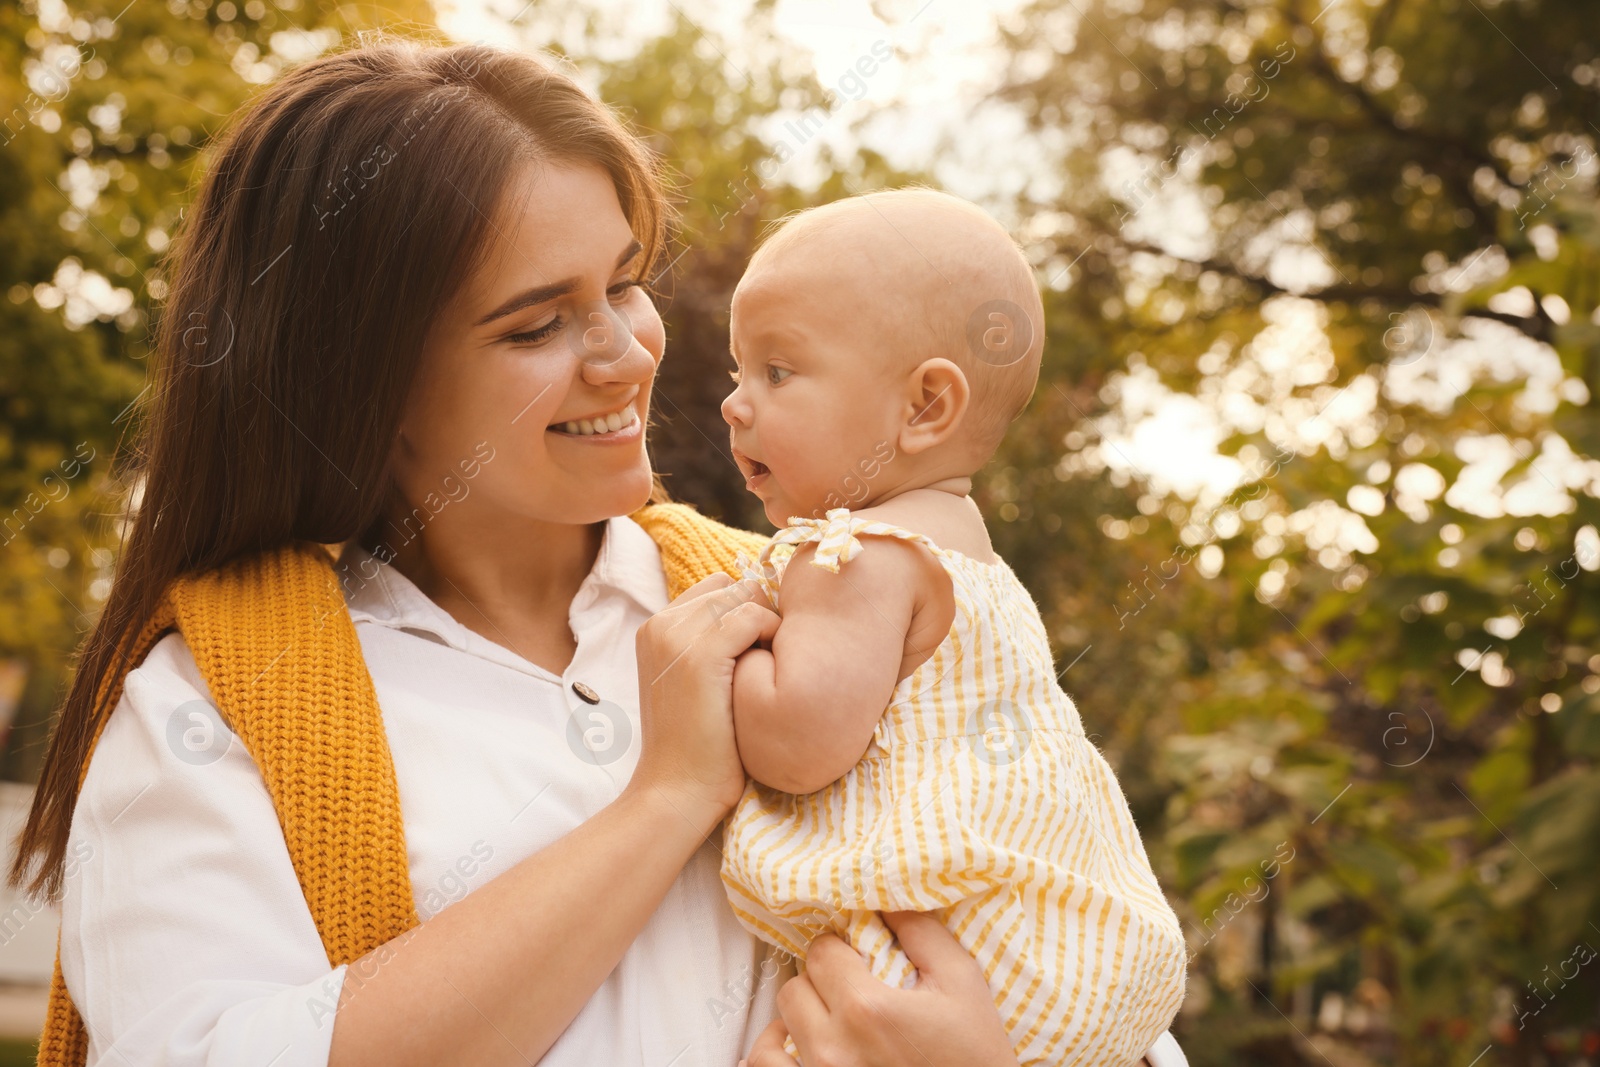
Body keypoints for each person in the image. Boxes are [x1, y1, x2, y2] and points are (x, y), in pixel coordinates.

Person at [7, 42, 1028, 1067]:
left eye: (625, 283)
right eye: (537, 324)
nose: (628, 353)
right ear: (360, 382)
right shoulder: (209, 705)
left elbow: (1067, 899)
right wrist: (665, 800)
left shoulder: (827, 613)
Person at [718, 190, 1188, 1065]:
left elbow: (797, 741)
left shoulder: (855, 552)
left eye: (777, 372)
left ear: (926, 405)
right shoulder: (972, 557)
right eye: (737, 373)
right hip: (1055, 957)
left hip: (939, 955)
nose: (735, 405)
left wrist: (726, 650)